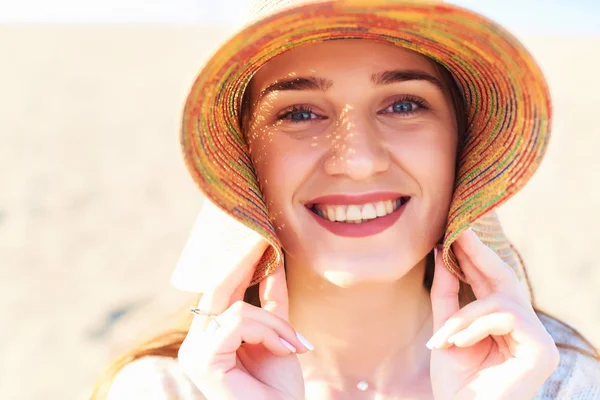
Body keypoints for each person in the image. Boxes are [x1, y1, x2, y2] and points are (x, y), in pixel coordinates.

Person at [92, 1, 600, 399]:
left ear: (461, 151)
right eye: (300, 113)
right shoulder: (169, 390)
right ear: (246, 163)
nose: (357, 160)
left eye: (404, 104)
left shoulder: (559, 384)